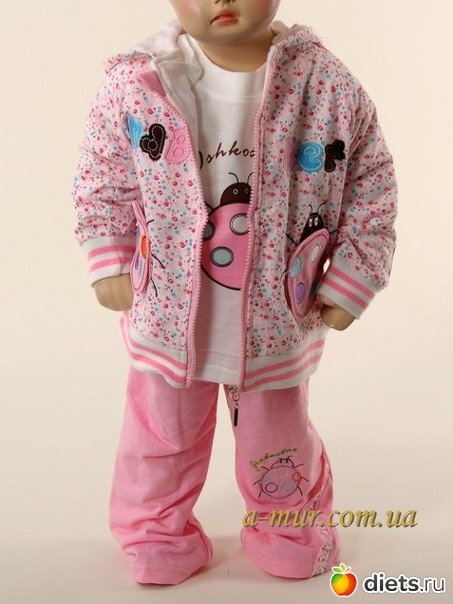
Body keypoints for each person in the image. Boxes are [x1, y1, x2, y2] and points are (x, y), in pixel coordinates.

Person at [71, 0, 398, 586]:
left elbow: (371, 182)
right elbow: (103, 171)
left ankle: (290, 531)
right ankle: (155, 535)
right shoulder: (139, 81)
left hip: (277, 316)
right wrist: (109, 255)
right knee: (160, 440)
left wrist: (354, 275)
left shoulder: (323, 83)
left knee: (279, 444)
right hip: (168, 315)